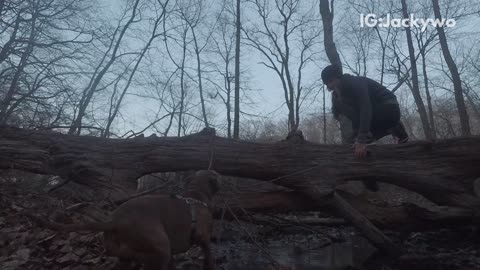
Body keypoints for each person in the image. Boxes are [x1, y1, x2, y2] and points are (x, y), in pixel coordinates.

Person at [321, 64, 409, 158]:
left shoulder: (355, 82)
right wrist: (356, 136)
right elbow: (350, 116)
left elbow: (365, 108)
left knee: (362, 134)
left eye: (331, 81)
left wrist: (362, 139)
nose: (330, 85)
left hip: (389, 108)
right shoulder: (336, 97)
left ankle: (386, 129)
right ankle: (394, 128)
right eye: (327, 84)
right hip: (375, 115)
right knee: (352, 139)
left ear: (339, 78)